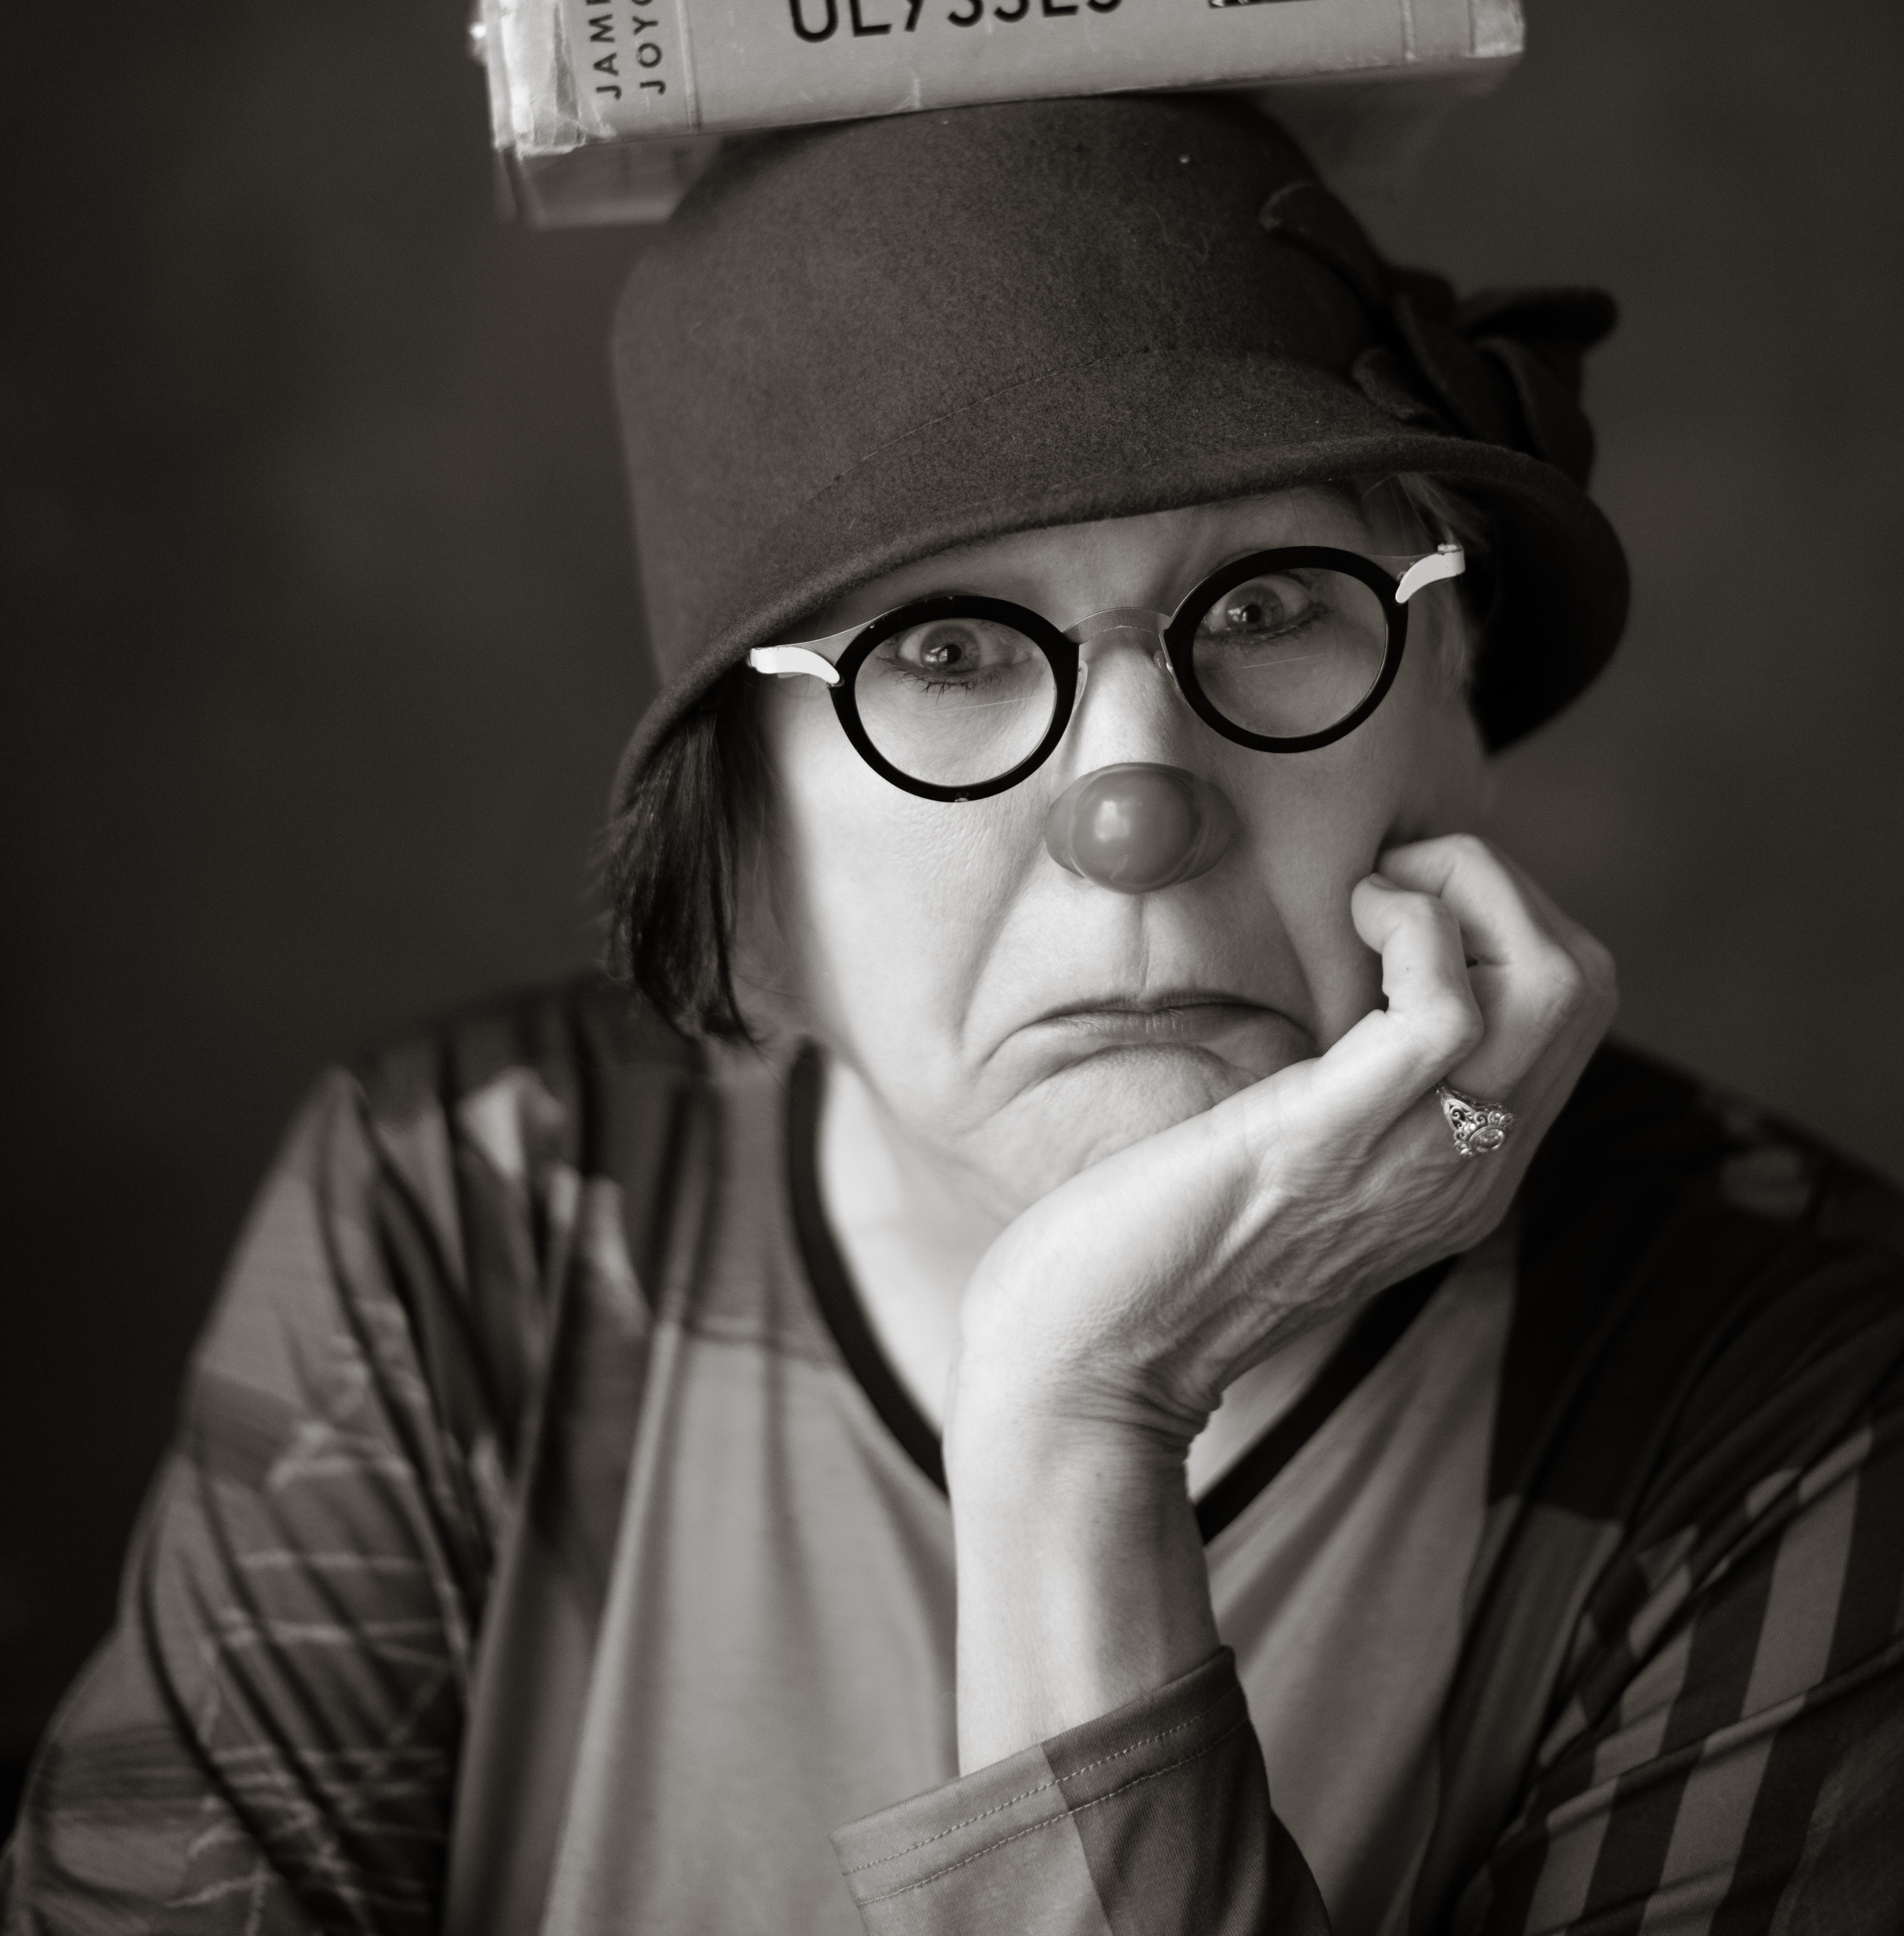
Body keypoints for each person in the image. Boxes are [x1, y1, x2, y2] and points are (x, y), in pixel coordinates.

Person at [4, 94, 1899, 1936]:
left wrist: (1082, 1426)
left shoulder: (1803, 1399)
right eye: (943, 653)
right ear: (739, 851)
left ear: (1454, 704)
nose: (1135, 813)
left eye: (1267, 607)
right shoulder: (463, 1211)